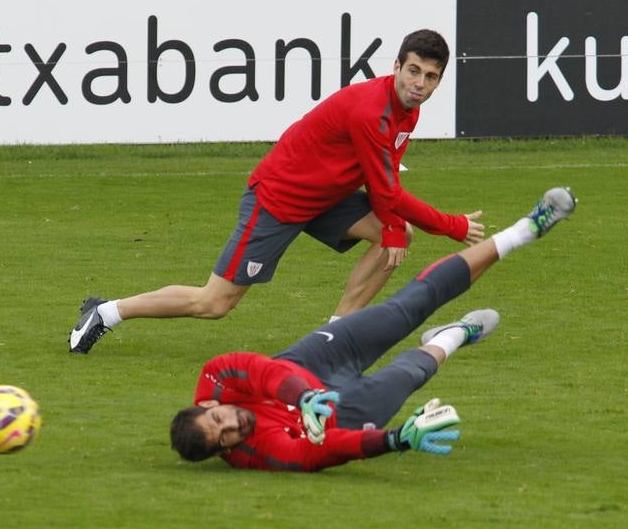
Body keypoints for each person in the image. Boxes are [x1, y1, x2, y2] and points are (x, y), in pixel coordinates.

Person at [68, 29, 486, 354]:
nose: (420, 83)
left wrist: (393, 226)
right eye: (413, 71)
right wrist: (453, 226)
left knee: (397, 237)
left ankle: (333, 336)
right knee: (215, 303)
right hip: (279, 199)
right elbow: (388, 191)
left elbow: (387, 178)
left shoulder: (406, 109)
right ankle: (106, 312)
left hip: (327, 199)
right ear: (396, 66)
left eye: (431, 76)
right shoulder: (370, 112)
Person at [168, 187, 576, 471]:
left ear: (208, 406)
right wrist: (395, 440)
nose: (232, 426)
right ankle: (452, 336)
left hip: (309, 363)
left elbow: (259, 369)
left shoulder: (214, 380)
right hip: (343, 413)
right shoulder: (260, 455)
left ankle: (527, 228)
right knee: (412, 372)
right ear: (224, 453)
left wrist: (304, 395)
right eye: (224, 438)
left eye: (218, 419)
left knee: (408, 306)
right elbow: (324, 453)